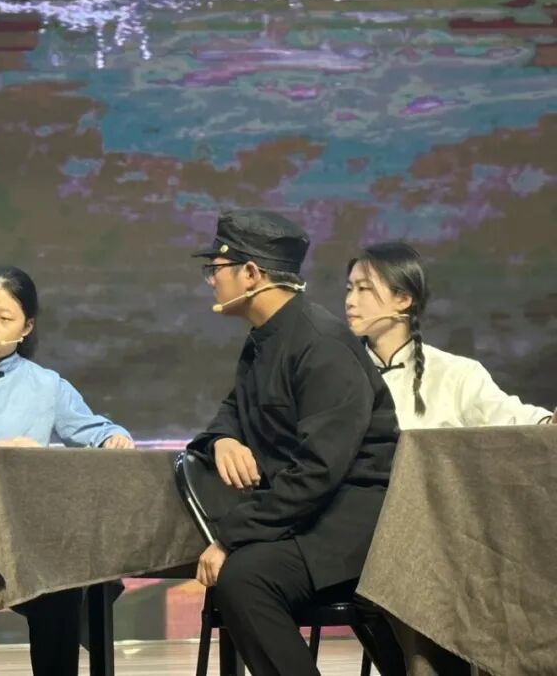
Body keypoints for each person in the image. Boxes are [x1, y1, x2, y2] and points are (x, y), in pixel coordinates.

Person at [186, 210, 403, 676]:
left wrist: (231, 537)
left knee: (245, 578)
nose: (211, 280)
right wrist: (224, 440)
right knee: (240, 573)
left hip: (349, 521)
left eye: (216, 269)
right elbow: (232, 408)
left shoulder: (321, 344)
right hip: (307, 516)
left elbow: (319, 471)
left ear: (251, 273)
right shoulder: (265, 339)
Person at [0, 264, 133, 676]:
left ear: (27, 326)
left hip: (26, 536)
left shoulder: (46, 384)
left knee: (62, 586)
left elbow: (96, 429)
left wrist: (113, 438)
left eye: (4, 318)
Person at [345, 241, 553, 428]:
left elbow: (512, 417)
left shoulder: (454, 375)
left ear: (403, 299)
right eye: (349, 289)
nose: (350, 301)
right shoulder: (337, 370)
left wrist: (549, 423)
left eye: (363, 289)